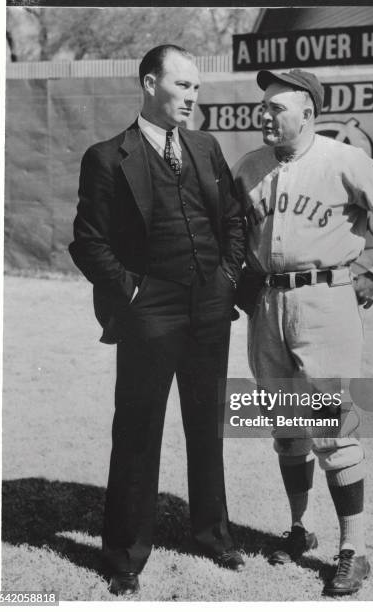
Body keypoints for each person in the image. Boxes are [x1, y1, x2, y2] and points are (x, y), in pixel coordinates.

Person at [233, 68, 373, 596]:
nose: (264, 114)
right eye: (263, 105)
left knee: (331, 426)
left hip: (325, 301)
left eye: (276, 107)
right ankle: (298, 529)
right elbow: (229, 232)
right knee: (286, 427)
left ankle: (353, 550)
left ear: (308, 113)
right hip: (267, 304)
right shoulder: (248, 167)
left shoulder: (344, 161)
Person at [69, 44, 246, 596]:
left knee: (206, 423)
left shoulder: (204, 146)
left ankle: (212, 533)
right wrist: (134, 293)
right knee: (139, 430)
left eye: (197, 87)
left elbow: (234, 219)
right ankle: (124, 554)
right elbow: (88, 242)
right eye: (184, 86)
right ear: (150, 84)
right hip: (152, 310)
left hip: (210, 305)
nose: (193, 97)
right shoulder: (106, 157)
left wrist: (228, 277)